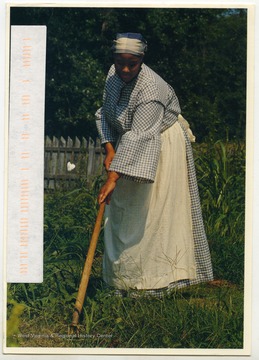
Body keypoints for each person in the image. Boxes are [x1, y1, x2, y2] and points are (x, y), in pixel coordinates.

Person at [95, 32, 213, 297]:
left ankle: (153, 282)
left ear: (142, 59)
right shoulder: (112, 76)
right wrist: (110, 148)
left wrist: (113, 178)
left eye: (132, 63)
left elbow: (141, 135)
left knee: (152, 212)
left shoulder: (151, 89)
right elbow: (105, 113)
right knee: (125, 211)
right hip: (131, 141)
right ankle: (121, 281)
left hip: (161, 141)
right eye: (119, 62)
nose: (125, 69)